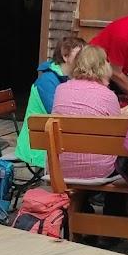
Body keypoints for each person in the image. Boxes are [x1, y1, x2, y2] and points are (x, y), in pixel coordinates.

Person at [50, 45, 128, 217]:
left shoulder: (61, 89)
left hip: (61, 166)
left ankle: (82, 213)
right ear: (103, 66)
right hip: (98, 169)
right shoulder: (107, 95)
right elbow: (117, 132)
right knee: (124, 158)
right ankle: (113, 221)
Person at [16, 34, 85, 168]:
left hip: (54, 141)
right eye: (79, 55)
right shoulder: (47, 81)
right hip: (39, 148)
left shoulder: (67, 79)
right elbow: (60, 115)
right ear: (65, 56)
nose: (84, 60)